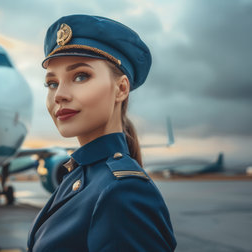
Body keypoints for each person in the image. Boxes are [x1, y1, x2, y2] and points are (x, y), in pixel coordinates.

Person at [27, 14, 177, 251]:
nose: (59, 95)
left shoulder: (123, 192)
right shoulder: (79, 176)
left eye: (80, 76)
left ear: (121, 89)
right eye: (52, 83)